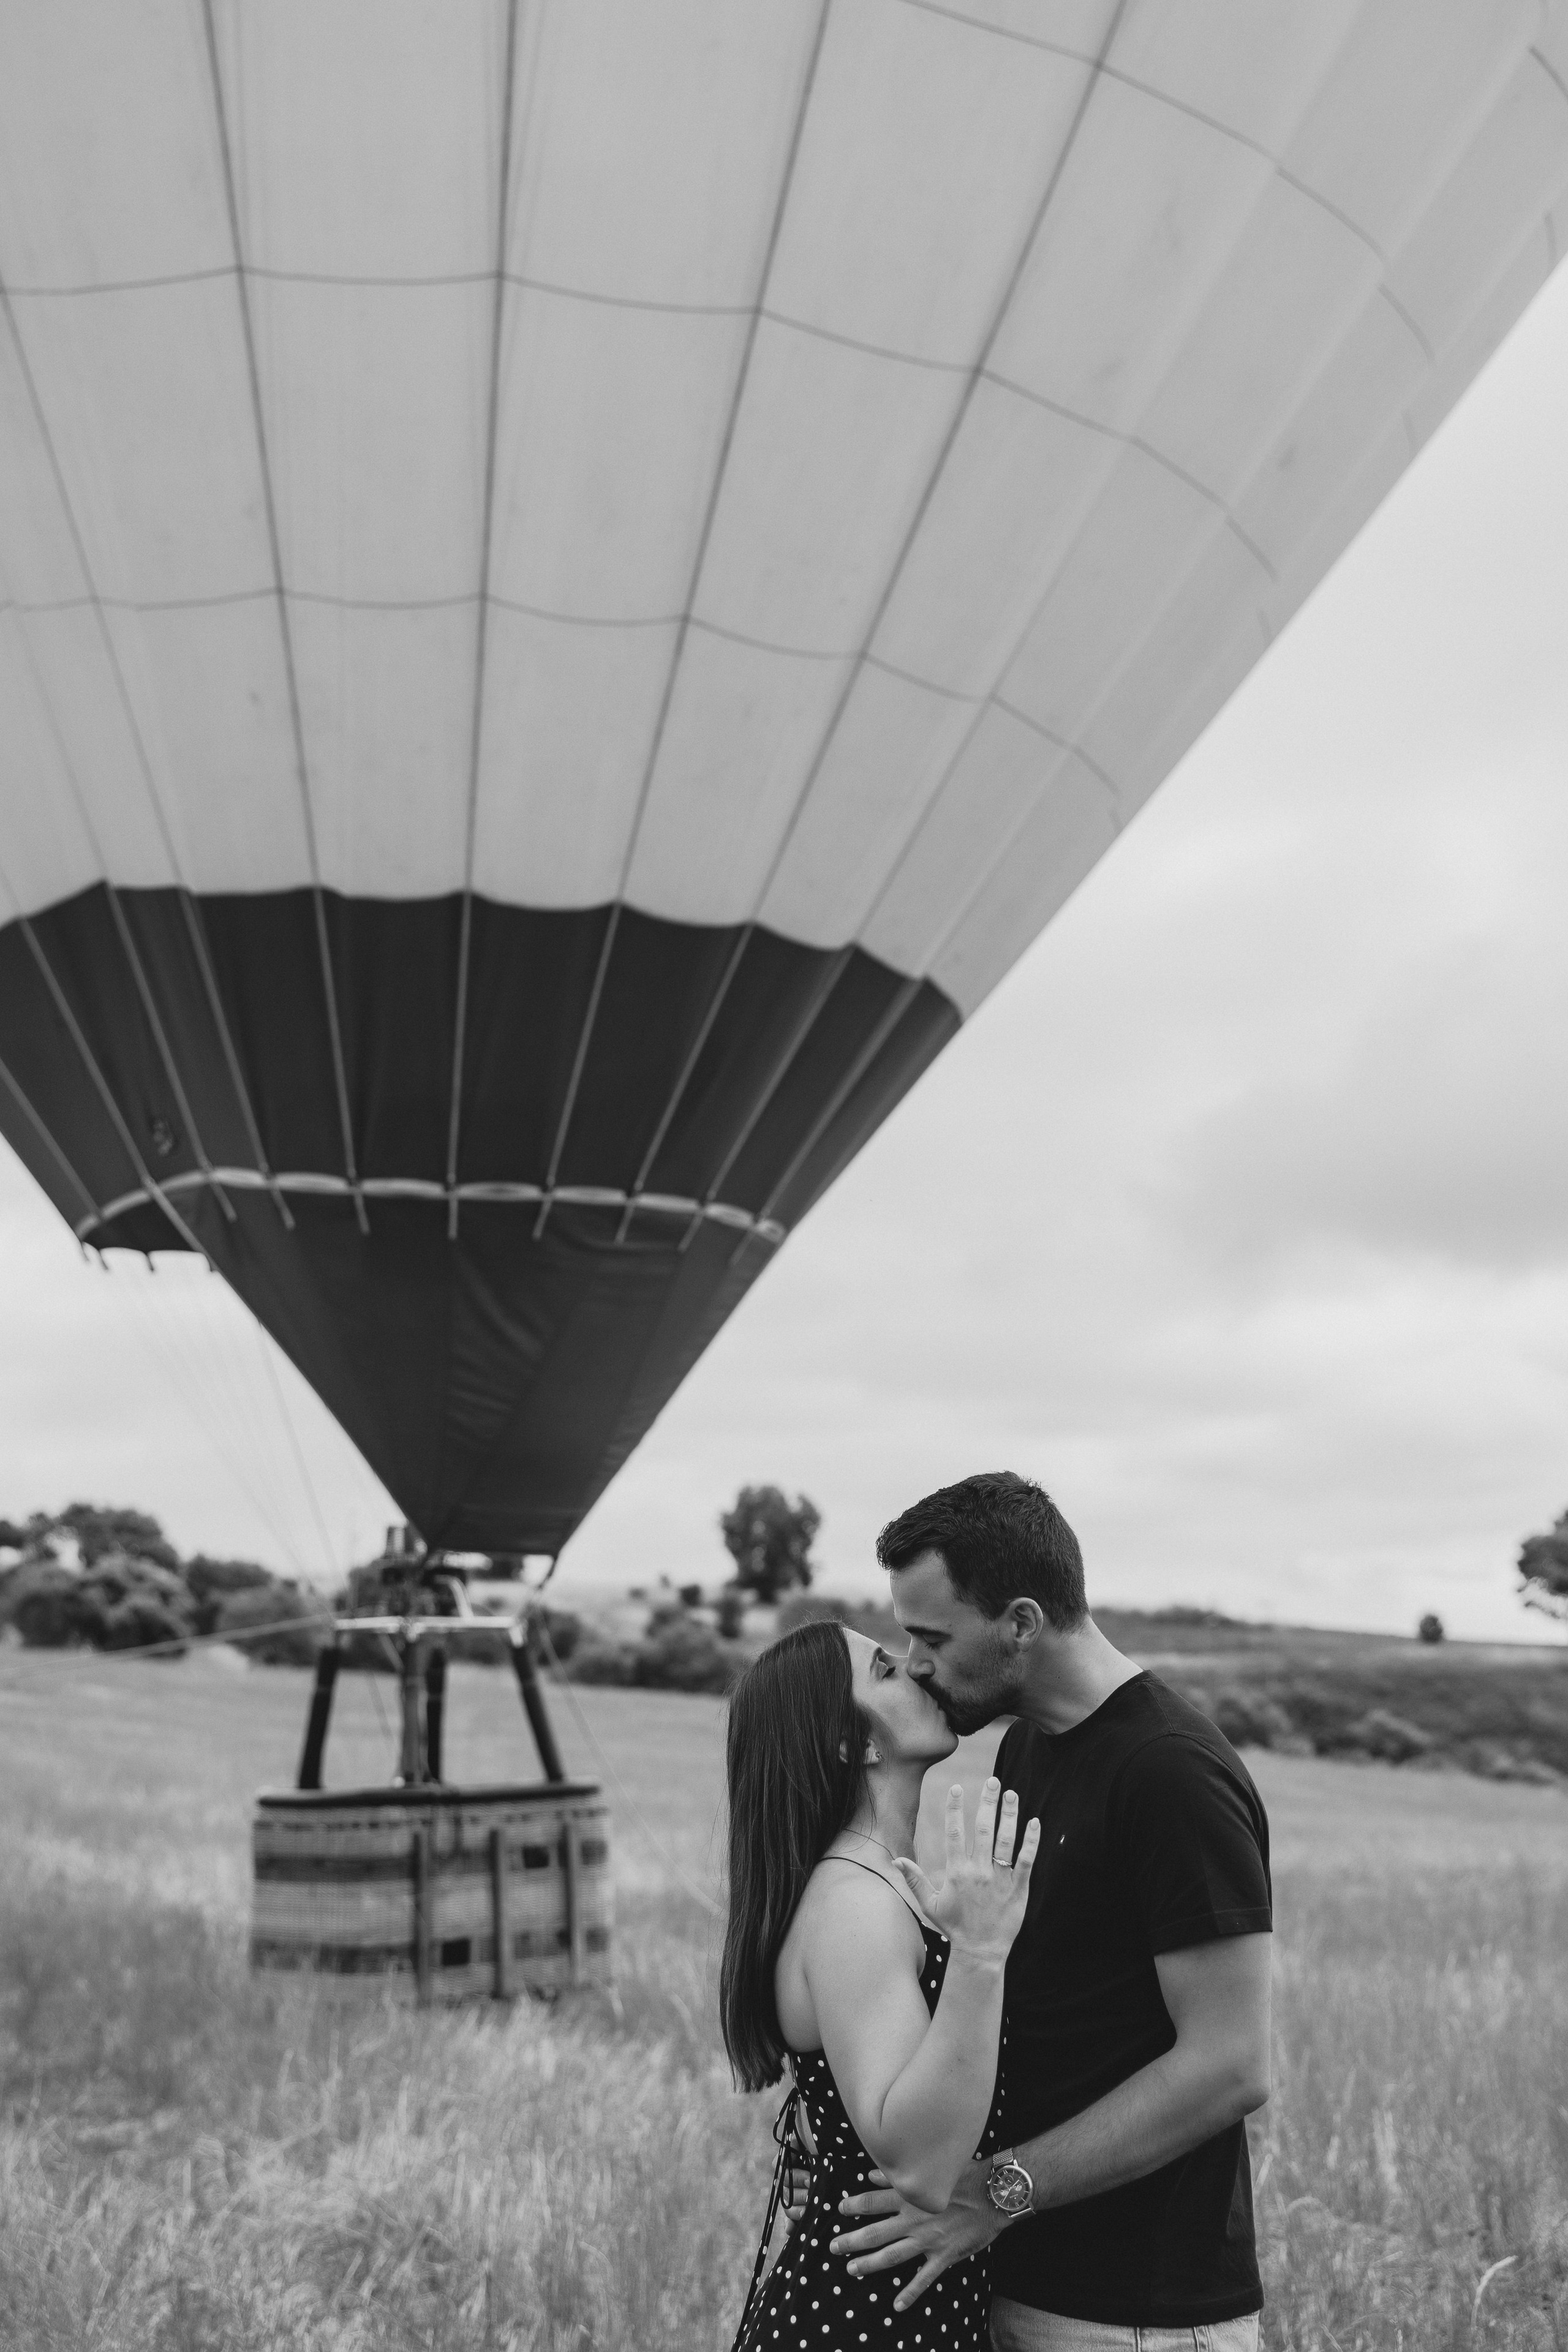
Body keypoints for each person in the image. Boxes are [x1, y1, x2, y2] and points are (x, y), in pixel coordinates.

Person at [828, 1472, 1273, 2352]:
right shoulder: (1029, 1750)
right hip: (1025, 2279)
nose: (915, 1663)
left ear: (1023, 1623)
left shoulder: (1172, 1774)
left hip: (1137, 2315)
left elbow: (1231, 2065)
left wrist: (994, 2192)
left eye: (932, 1637)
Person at [722, 1616, 1041, 2352]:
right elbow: (923, 2166)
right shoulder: (854, 1904)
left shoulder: (871, 1886)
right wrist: (980, 1952)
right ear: (853, 1742)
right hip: (862, 2319)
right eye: (888, 1672)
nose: (920, 1669)